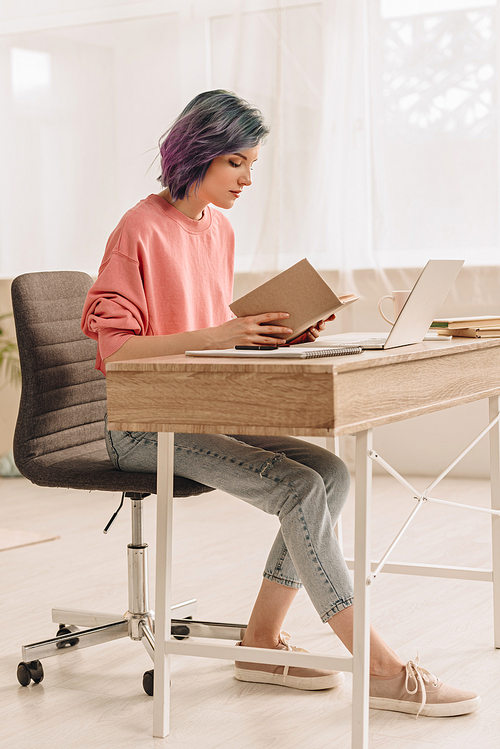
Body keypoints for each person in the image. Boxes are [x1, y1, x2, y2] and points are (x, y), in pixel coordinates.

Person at [81, 89, 480, 717]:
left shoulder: (219, 230)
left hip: (201, 411)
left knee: (330, 472)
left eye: (252, 165)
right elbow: (117, 353)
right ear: (199, 155)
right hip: (142, 424)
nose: (246, 178)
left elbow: (213, 345)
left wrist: (283, 333)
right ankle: (378, 666)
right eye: (236, 162)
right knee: (298, 488)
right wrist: (223, 334)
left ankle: (261, 641)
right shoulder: (139, 228)